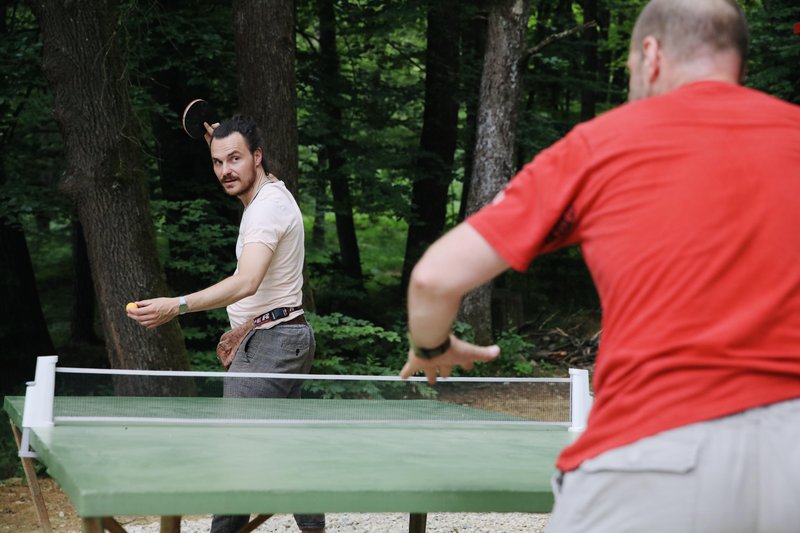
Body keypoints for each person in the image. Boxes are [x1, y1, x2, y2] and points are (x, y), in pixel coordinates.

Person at [400, 0, 800, 531]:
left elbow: (434, 278)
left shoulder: (601, 145)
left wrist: (431, 346)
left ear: (651, 55)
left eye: (633, 68)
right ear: (737, 66)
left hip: (651, 455)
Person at [127, 115, 325, 533]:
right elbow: (239, 161)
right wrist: (225, 145)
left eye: (235, 160)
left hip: (271, 343)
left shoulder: (266, 209)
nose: (224, 171)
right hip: (288, 336)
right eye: (217, 162)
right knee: (288, 450)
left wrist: (176, 305)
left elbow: (247, 281)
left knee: (236, 454)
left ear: (258, 157)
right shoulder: (273, 192)